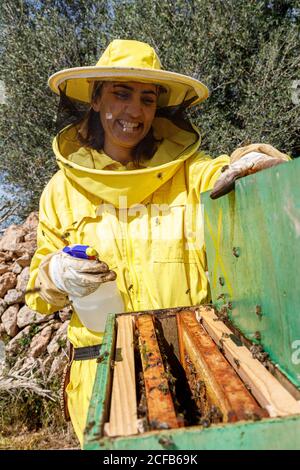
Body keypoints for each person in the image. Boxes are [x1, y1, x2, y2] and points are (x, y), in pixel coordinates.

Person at [25, 39, 290, 446]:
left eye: (147, 99)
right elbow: (37, 296)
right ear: (96, 100)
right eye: (121, 93)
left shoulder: (189, 174)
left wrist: (253, 159)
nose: (135, 111)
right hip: (100, 374)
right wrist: (56, 274)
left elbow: (230, 172)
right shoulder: (60, 192)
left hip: (191, 365)